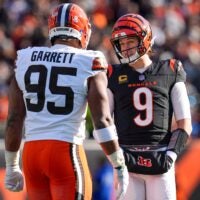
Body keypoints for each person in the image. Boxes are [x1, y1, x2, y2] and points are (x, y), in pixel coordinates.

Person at [4, 3, 129, 200]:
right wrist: (118, 163)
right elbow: (102, 121)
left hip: (32, 155)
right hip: (65, 151)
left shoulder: (26, 58)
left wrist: (11, 165)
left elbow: (13, 119)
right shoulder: (89, 60)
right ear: (82, 31)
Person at [107, 13, 192, 200]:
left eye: (130, 42)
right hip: (126, 159)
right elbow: (104, 122)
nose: (125, 48)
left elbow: (185, 122)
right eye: (122, 44)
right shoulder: (112, 74)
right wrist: (116, 158)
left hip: (159, 157)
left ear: (144, 39)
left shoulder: (169, 70)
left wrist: (171, 155)